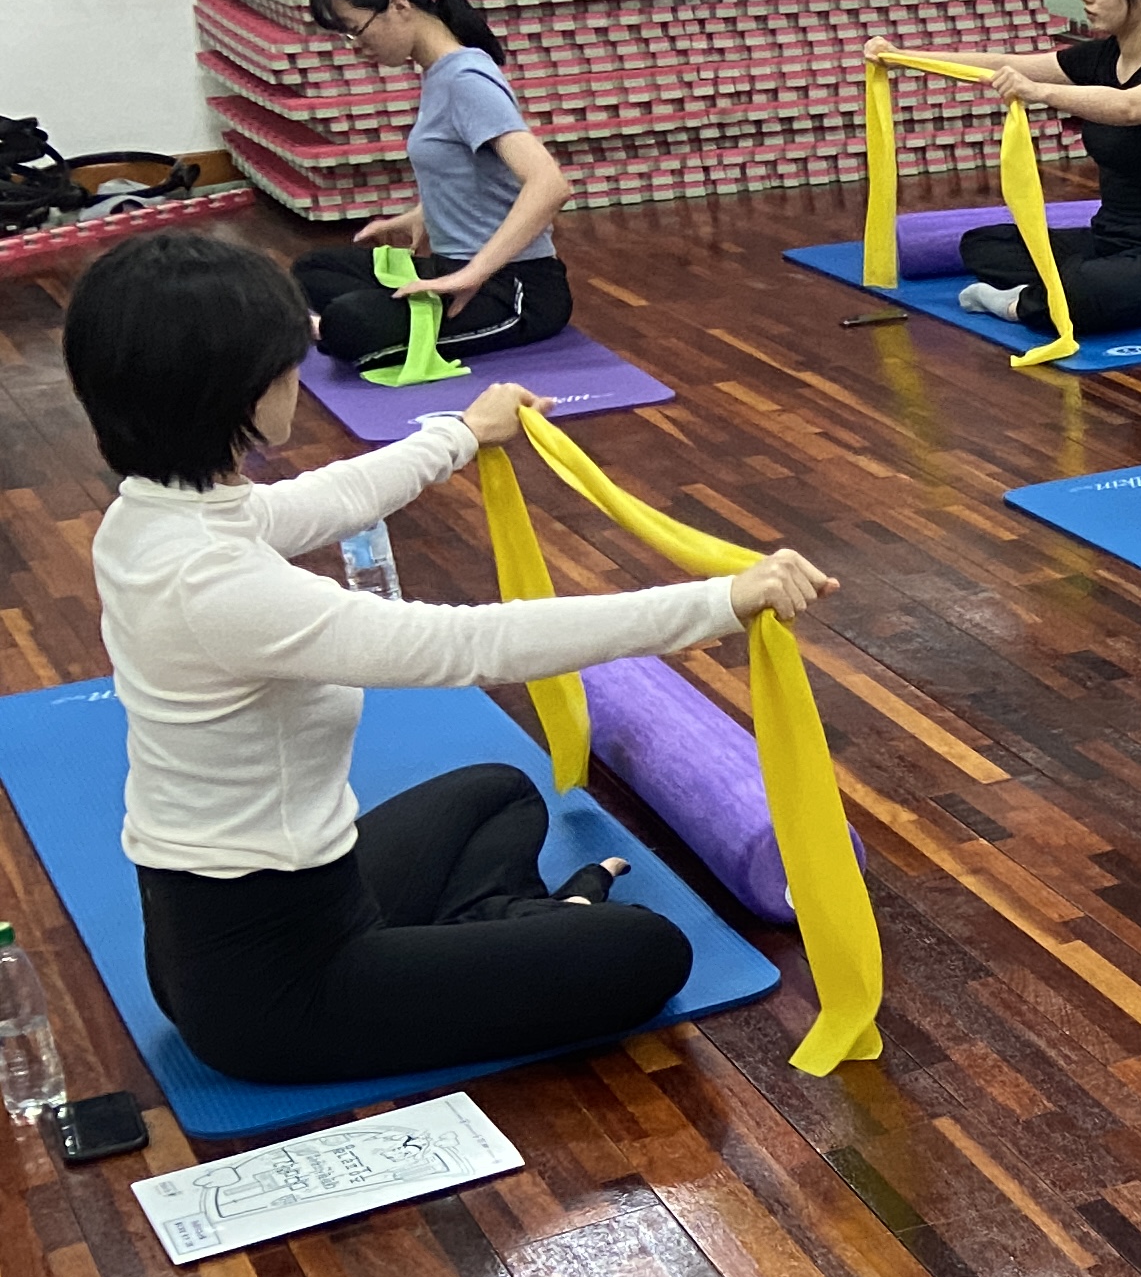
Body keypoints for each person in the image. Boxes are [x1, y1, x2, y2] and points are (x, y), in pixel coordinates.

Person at [63, 229, 834, 1087]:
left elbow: (321, 500)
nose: (301, 368)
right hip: (276, 990)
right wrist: (720, 601)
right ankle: (516, 936)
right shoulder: (216, 587)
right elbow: (471, 643)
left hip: (258, 918)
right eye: (285, 362)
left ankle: (493, 938)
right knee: (649, 952)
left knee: (496, 792)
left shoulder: (150, 518)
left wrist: (462, 433)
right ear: (232, 392)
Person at [884, 0, 1141, 339]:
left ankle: (1018, 303)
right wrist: (902, 57)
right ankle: (1057, 289)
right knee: (984, 244)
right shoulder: (1103, 57)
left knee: (1082, 291)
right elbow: (1008, 64)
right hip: (1110, 241)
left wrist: (1040, 92)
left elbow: (1130, 106)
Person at [298, 0, 579, 373]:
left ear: (399, 7)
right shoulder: (438, 72)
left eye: (356, 29)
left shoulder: (466, 78)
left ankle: (339, 328)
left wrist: (473, 273)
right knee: (313, 268)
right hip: (453, 265)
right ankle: (358, 320)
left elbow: (550, 185)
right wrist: (422, 216)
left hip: (516, 289)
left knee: (349, 325)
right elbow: (474, 175)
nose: (355, 45)